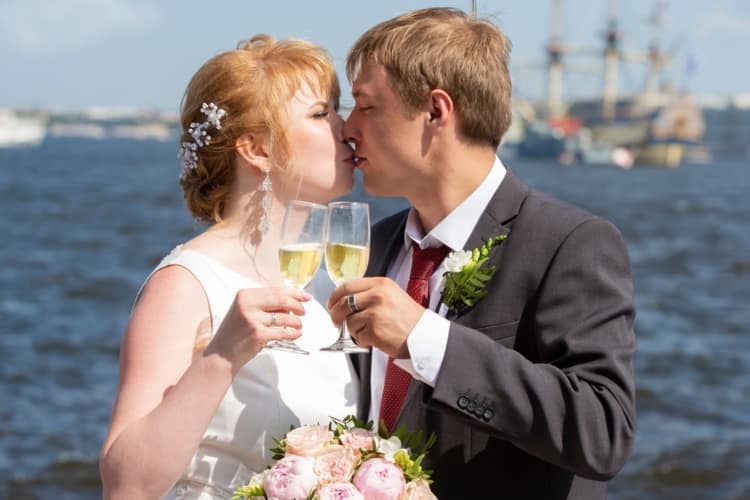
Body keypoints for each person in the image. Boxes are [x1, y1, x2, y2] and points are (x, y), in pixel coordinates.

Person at [328, 8, 636, 499]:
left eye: (365, 106)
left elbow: (602, 432)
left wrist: (426, 341)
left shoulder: (569, 242)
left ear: (436, 110)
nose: (346, 126)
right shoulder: (375, 245)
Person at [100, 35, 359, 499]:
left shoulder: (326, 281)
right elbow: (125, 485)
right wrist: (221, 357)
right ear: (256, 149)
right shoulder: (185, 285)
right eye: (322, 114)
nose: (349, 128)